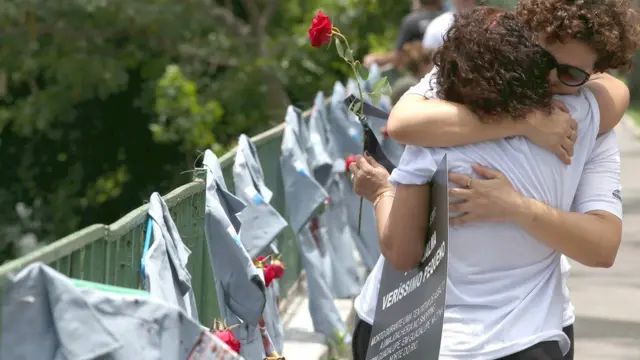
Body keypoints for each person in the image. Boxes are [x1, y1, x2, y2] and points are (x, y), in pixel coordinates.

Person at [349, 6, 624, 360]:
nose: (552, 82)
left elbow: (403, 252)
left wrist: (382, 192)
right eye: (542, 62)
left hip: (407, 329)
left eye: (571, 74)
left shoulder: (436, 121)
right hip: (527, 337)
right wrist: (525, 123)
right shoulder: (582, 121)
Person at [362, 0, 442, 69]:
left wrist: (375, 59)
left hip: (422, 73)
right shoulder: (448, 19)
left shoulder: (411, 21)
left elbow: (398, 56)